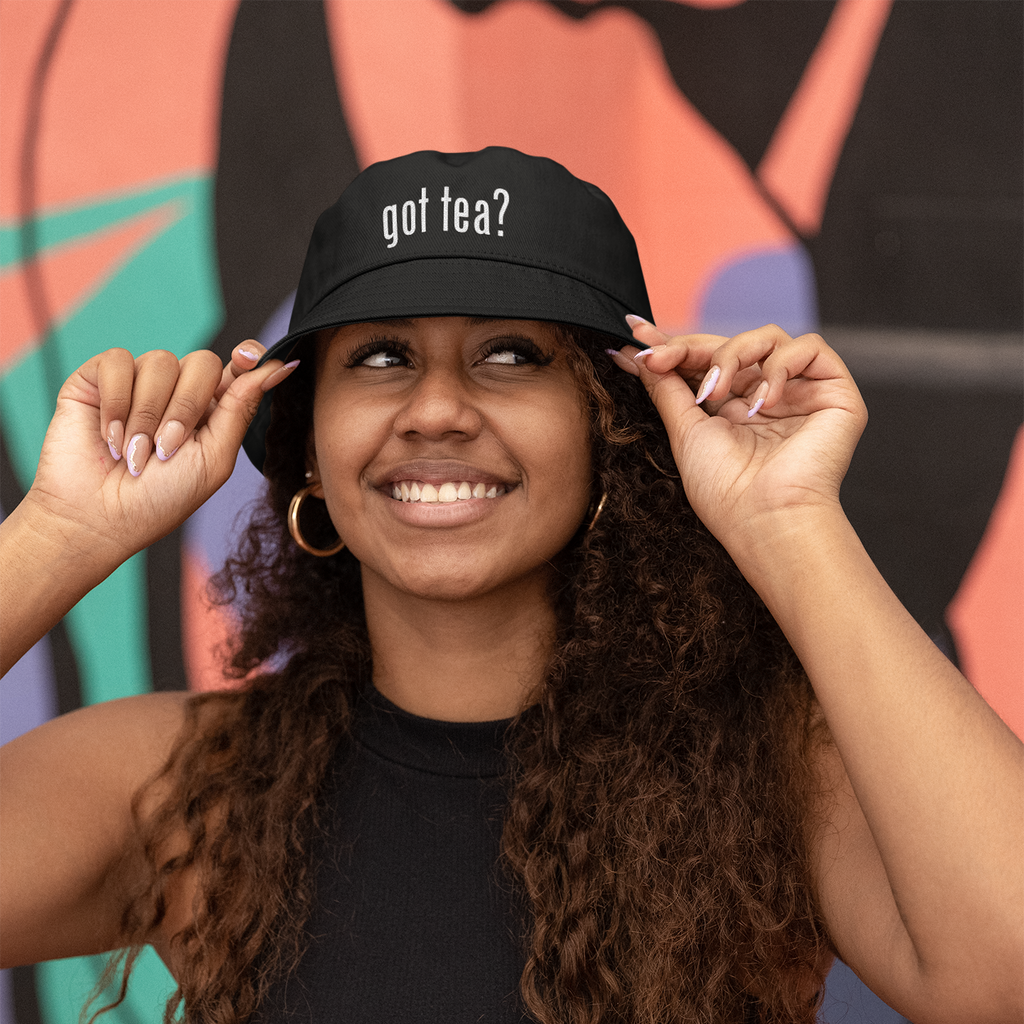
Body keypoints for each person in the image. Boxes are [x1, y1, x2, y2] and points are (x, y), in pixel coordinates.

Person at [1, 147, 1022, 1024]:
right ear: (307, 444)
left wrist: (788, 523)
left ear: (609, 428)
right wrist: (58, 533)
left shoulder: (767, 766)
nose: (437, 408)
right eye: (383, 356)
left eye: (508, 354)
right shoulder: (189, 789)